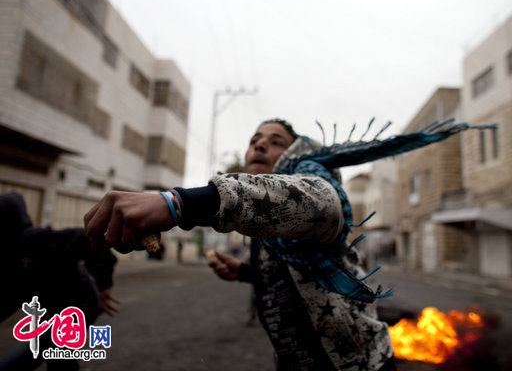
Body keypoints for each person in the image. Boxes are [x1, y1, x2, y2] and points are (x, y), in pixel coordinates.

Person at [84, 119, 396, 370]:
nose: (260, 144)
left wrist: (178, 204)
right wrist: (245, 272)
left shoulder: (314, 187)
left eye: (277, 142)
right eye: (255, 140)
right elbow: (285, 273)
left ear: (295, 157)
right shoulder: (261, 227)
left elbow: (316, 203)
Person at [0, 192, 120, 370]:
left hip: (79, 305)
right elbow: (13, 295)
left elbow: (91, 241)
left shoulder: (33, 239)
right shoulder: (10, 260)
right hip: (53, 311)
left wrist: (104, 286)